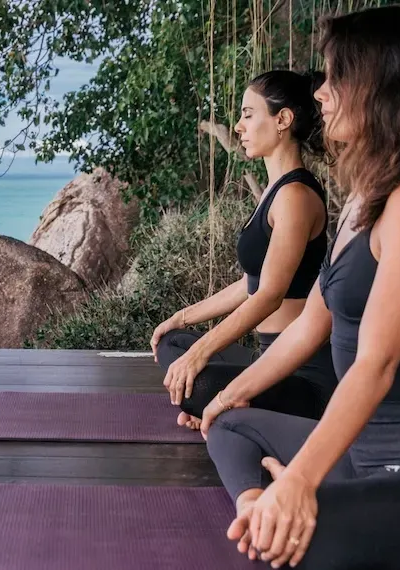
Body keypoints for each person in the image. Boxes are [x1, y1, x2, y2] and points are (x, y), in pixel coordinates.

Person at [197, 6, 400, 569]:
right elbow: (312, 323)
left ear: (383, 89)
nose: (322, 94)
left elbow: (375, 365)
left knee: (293, 547)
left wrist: (303, 479)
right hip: (357, 455)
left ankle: (288, 508)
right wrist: (229, 395)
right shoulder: (366, 199)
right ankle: (261, 503)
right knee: (230, 423)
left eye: (337, 78)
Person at [150, 69, 335, 430]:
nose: (238, 126)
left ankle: (235, 407)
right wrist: (182, 317)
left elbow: (268, 296)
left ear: (282, 119)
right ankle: (234, 406)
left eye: (249, 114)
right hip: (266, 357)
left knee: (195, 379)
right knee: (172, 343)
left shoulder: (295, 197)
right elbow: (249, 283)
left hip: (302, 376)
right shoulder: (275, 191)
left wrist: (201, 352)